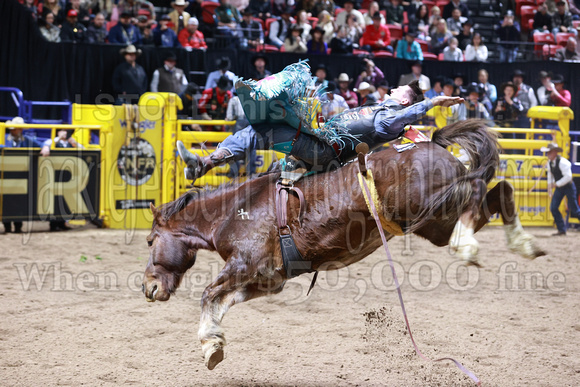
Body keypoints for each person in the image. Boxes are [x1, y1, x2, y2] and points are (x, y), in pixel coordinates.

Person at [177, 64, 464, 181]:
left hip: (326, 153)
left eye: (399, 91)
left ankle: (205, 165)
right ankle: (205, 164)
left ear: (405, 101)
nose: (392, 89)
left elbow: (406, 118)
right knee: (257, 131)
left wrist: (434, 102)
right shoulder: (378, 109)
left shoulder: (389, 120)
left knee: (264, 131)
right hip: (320, 142)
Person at [2, 116, 51, 233]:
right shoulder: (3, 138)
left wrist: (45, 147)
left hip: (21, 176)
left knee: (19, 200)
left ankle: (18, 226)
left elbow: (43, 143)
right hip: (6, 175)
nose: (16, 131)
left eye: (18, 129)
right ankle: (7, 226)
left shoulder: (27, 139)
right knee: (6, 201)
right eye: (15, 129)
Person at [541, 143, 580, 235]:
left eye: (549, 152)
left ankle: (561, 229)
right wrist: (550, 187)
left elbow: (568, 177)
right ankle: (561, 229)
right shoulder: (550, 164)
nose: (548, 154)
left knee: (575, 209)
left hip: (569, 187)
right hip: (560, 188)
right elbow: (550, 175)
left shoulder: (563, 162)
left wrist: (555, 184)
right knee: (553, 207)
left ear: (555, 152)